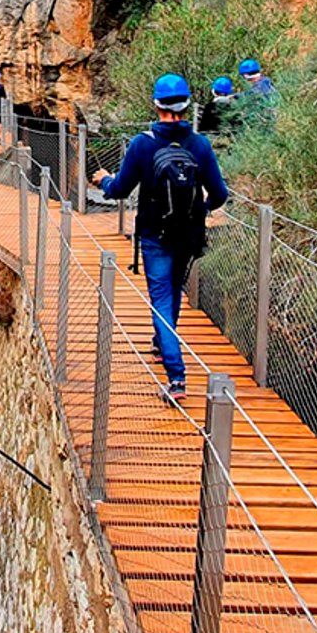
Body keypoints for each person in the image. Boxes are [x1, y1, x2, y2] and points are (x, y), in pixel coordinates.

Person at [93, 75, 228, 403]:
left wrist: (104, 180)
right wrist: (200, 209)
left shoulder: (143, 143)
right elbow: (220, 194)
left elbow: (121, 189)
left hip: (155, 234)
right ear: (185, 105)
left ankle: (177, 377)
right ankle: (160, 343)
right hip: (189, 233)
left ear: (156, 106)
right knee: (173, 293)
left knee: (162, 298)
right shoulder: (200, 145)